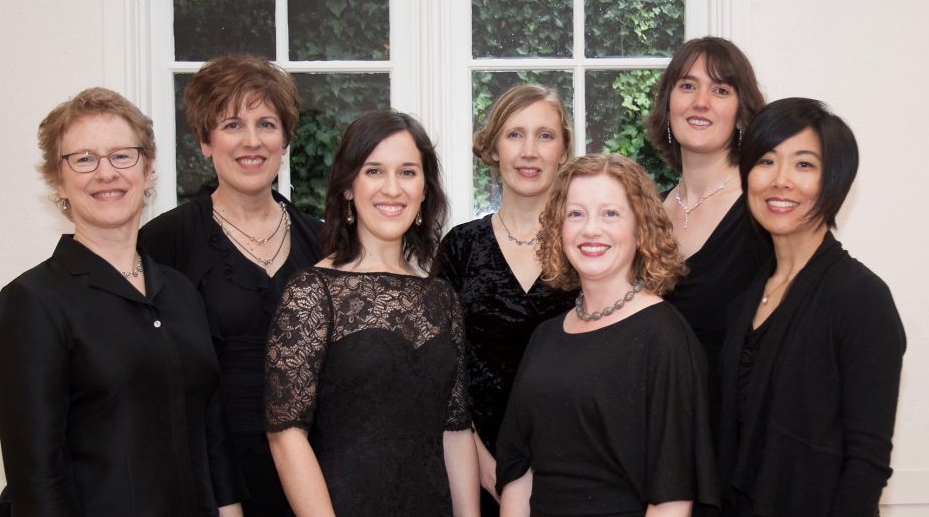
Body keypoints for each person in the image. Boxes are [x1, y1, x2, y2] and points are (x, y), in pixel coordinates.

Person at [0, 87, 245, 516]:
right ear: (58, 179)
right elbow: (36, 477)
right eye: (84, 159)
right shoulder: (31, 302)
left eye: (122, 155)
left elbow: (211, 426)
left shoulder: (181, 291)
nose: (106, 173)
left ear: (146, 170)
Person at [264, 111, 479, 517]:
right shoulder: (312, 291)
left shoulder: (442, 298)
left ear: (424, 190)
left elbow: (455, 430)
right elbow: (285, 435)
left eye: (408, 172)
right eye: (374, 170)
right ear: (348, 187)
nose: (392, 188)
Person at [140, 54, 323, 516]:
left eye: (267, 124)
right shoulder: (164, 242)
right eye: (232, 125)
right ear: (205, 141)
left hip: (314, 470)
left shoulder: (322, 240)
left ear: (285, 141)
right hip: (212, 477)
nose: (252, 141)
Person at [496, 153, 718, 517]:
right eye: (576, 214)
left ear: (641, 228)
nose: (591, 229)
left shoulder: (664, 337)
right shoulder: (546, 337)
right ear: (559, 228)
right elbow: (518, 469)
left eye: (610, 214)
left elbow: (672, 497)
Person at [716, 98, 905, 516]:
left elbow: (867, 464)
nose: (780, 180)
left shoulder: (861, 299)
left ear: (833, 181)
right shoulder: (744, 299)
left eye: (804, 165)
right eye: (766, 161)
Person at [434, 84, 576, 512]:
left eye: (545, 136)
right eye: (515, 134)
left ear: (563, 151)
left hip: (574, 471)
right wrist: (486, 469)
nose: (529, 151)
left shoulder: (587, 246)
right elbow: (443, 374)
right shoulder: (460, 248)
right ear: (493, 148)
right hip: (473, 473)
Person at [644, 37, 772, 435]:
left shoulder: (765, 211)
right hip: (656, 435)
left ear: (741, 112)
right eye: (687, 85)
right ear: (668, 104)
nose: (701, 102)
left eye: (720, 90)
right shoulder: (646, 215)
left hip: (736, 439)